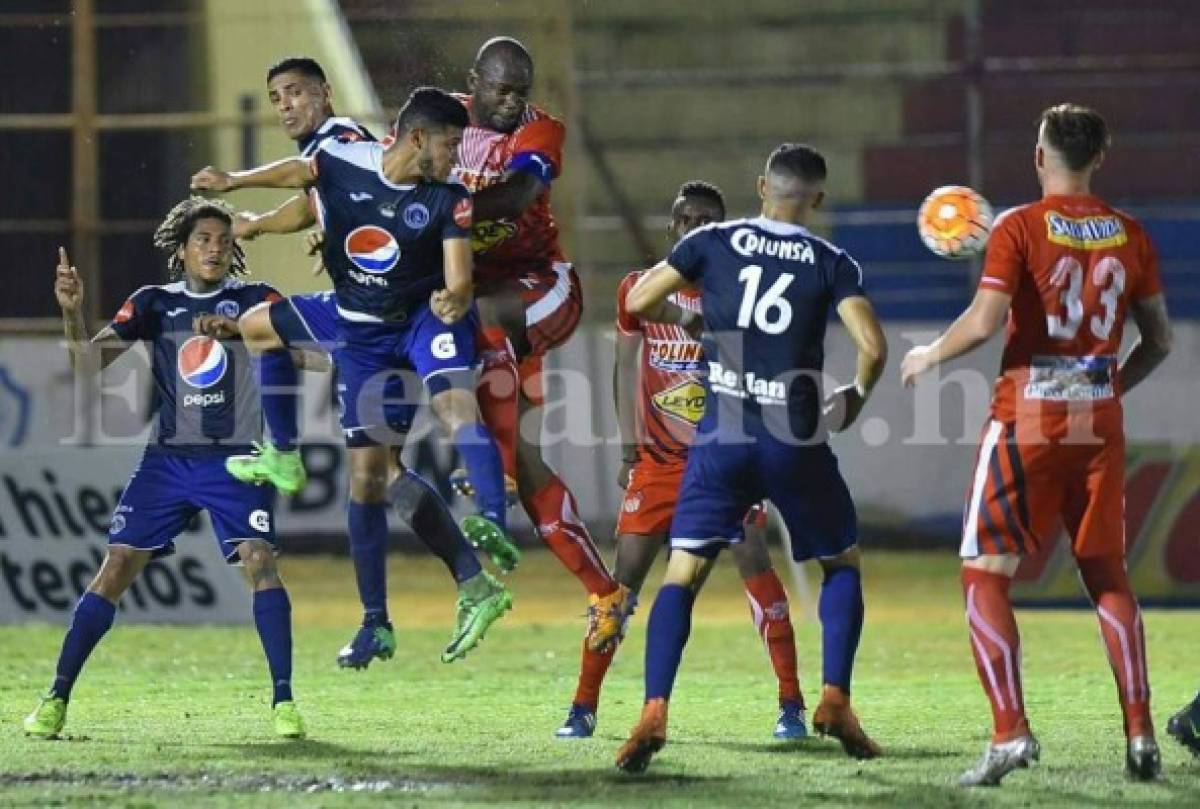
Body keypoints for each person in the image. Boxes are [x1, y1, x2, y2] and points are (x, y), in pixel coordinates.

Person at [215, 56, 520, 671]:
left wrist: (234, 182)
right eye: (278, 96)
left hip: (409, 322)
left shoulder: (349, 144)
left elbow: (308, 174)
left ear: (326, 95)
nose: (286, 107)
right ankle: (427, 598)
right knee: (371, 474)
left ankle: (490, 529)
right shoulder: (342, 162)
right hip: (356, 320)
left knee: (428, 429)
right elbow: (315, 198)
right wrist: (260, 226)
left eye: (297, 93)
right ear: (416, 139)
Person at [900, 104, 1172, 786]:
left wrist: (929, 353)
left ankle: (1009, 732)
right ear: (1100, 157)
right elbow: (1160, 340)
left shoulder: (1019, 225)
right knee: (1107, 573)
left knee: (983, 573)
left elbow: (987, 319)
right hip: (1099, 418)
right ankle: (1140, 734)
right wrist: (1107, 389)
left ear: (1040, 154)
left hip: (1028, 418)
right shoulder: (1132, 234)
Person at [614, 144, 887, 773]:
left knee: (681, 574)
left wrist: (693, 317)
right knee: (840, 564)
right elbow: (871, 344)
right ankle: (835, 699)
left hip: (722, 441)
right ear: (816, 198)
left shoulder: (715, 240)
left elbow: (637, 305)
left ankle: (654, 709)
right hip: (793, 441)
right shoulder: (830, 261)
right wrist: (855, 397)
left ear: (761, 185)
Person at [24, 199, 305, 739]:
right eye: (204, 239)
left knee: (260, 560)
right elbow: (86, 364)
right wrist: (71, 311)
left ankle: (284, 703)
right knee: (118, 563)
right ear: (181, 250)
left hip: (238, 458)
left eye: (224, 240)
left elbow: (311, 352)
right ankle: (55, 697)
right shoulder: (154, 303)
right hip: (169, 459)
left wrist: (244, 333)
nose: (216, 248)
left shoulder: (255, 301)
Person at [555, 181, 805, 742]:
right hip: (658, 465)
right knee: (618, 585)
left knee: (756, 570)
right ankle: (583, 706)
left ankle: (791, 703)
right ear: (672, 228)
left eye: (705, 219)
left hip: (723, 465)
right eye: (684, 218)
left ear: (721, 228)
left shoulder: (741, 295)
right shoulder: (637, 290)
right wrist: (627, 447)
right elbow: (624, 369)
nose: (692, 226)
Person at [450, 37, 627, 650]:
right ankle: (606, 593)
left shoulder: (540, 130)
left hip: (544, 291)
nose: (511, 102)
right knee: (529, 464)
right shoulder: (441, 121)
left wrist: (445, 212)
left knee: (476, 312)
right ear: (475, 81)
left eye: (520, 90)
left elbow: (521, 194)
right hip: (490, 318)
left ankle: (487, 479)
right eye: (500, 89)